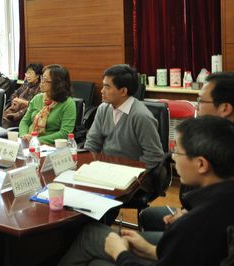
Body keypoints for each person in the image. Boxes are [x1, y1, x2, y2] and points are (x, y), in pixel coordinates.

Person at [58, 115, 234, 266]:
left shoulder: (199, 222)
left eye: (177, 152)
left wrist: (120, 253)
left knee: (90, 239)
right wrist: (150, 250)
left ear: (201, 164)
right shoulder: (220, 202)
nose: (173, 157)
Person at [138, 71, 234, 243]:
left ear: (225, 108)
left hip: (213, 234)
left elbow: (220, 212)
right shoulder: (211, 134)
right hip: (199, 213)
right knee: (149, 216)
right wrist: (188, 213)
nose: (196, 107)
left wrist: (189, 218)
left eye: (201, 101)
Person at [84, 64, 164, 169]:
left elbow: (154, 155)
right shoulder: (103, 109)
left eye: (107, 87)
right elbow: (92, 143)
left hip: (130, 171)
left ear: (123, 91)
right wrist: (88, 166)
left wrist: (132, 172)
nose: (102, 91)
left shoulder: (141, 116)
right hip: (104, 168)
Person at [19, 64, 76, 144]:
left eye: (46, 80)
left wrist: (36, 140)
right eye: (42, 78)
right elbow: (25, 121)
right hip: (29, 141)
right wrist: (24, 135)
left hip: (50, 145)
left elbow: (64, 133)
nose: (41, 82)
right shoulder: (37, 98)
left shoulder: (68, 103)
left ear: (57, 84)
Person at [2, 63, 42, 128]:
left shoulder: (40, 87)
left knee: (5, 121)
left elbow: (36, 104)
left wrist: (22, 102)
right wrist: (15, 100)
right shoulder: (26, 84)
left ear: (37, 75)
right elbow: (14, 95)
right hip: (15, 109)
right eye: (27, 73)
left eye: (30, 73)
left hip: (26, 113)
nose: (27, 76)